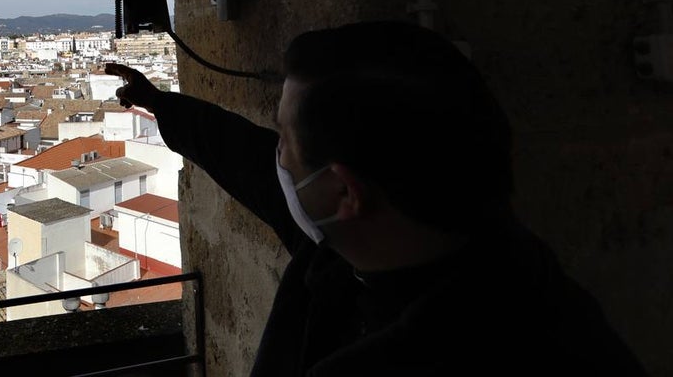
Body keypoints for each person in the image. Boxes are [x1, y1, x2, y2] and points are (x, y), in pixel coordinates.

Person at [105, 20, 646, 376]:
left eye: (287, 142)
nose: (280, 159)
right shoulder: (379, 246)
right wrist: (162, 105)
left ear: (344, 192)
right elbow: (242, 155)